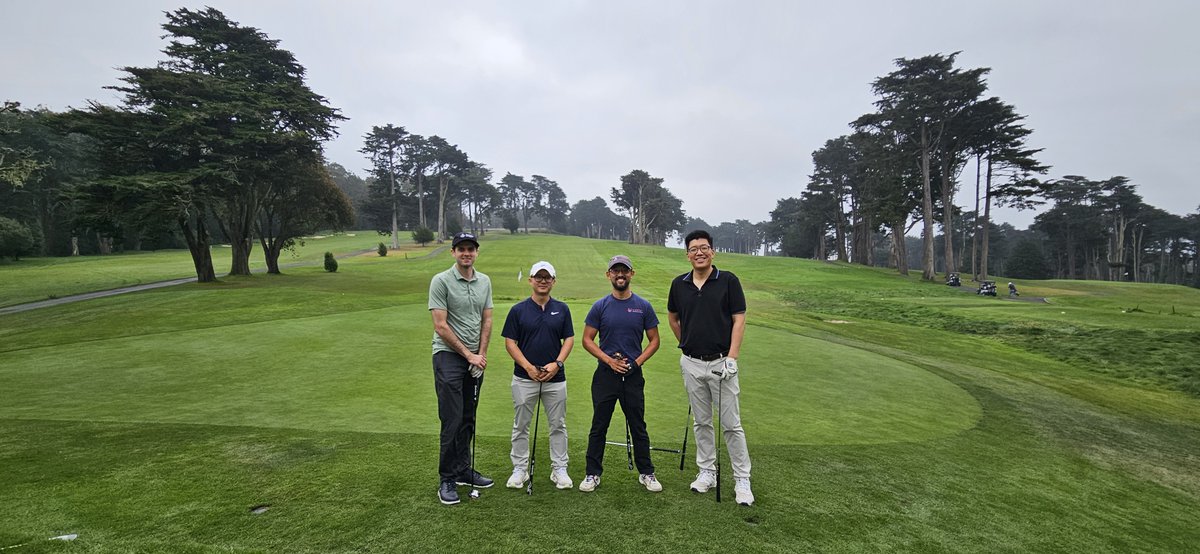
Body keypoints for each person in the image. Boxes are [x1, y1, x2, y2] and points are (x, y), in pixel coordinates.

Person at [667, 229, 755, 506]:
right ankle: (707, 472)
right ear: (687, 255)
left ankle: (742, 479)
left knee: (731, 424)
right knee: (701, 422)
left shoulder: (727, 280)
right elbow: (673, 318)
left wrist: (732, 357)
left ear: (713, 251)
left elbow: (738, 320)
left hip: (722, 363)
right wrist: (688, 345)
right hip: (691, 363)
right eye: (693, 249)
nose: (699, 253)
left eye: (704, 248)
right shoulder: (679, 284)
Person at [579, 255, 662, 493]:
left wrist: (636, 363)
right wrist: (607, 360)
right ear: (609, 275)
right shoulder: (600, 306)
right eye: (615, 271)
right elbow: (587, 339)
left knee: (638, 425)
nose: (620, 275)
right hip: (606, 375)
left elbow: (654, 341)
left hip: (632, 375)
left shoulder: (643, 306)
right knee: (599, 425)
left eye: (624, 271)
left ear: (631, 274)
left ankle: (647, 473)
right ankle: (592, 473)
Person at [429, 232, 494, 505]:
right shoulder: (441, 281)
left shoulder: (484, 282)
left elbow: (487, 320)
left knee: (468, 417)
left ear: (476, 252)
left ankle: (462, 470)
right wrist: (469, 355)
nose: (466, 253)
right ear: (453, 252)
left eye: (471, 249)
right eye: (461, 249)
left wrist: (481, 355)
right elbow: (440, 325)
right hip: (448, 356)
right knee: (452, 418)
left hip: (474, 359)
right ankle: (447, 478)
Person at [502, 261, 575, 490]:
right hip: (525, 378)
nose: (543, 281)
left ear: (553, 281)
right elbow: (510, 343)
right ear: (530, 280)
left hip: (555, 378)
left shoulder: (562, 309)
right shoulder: (518, 310)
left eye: (547, 277)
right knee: (521, 425)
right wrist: (528, 367)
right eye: (538, 277)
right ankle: (520, 469)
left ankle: (559, 469)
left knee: (558, 425)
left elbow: (569, 339)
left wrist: (557, 363)